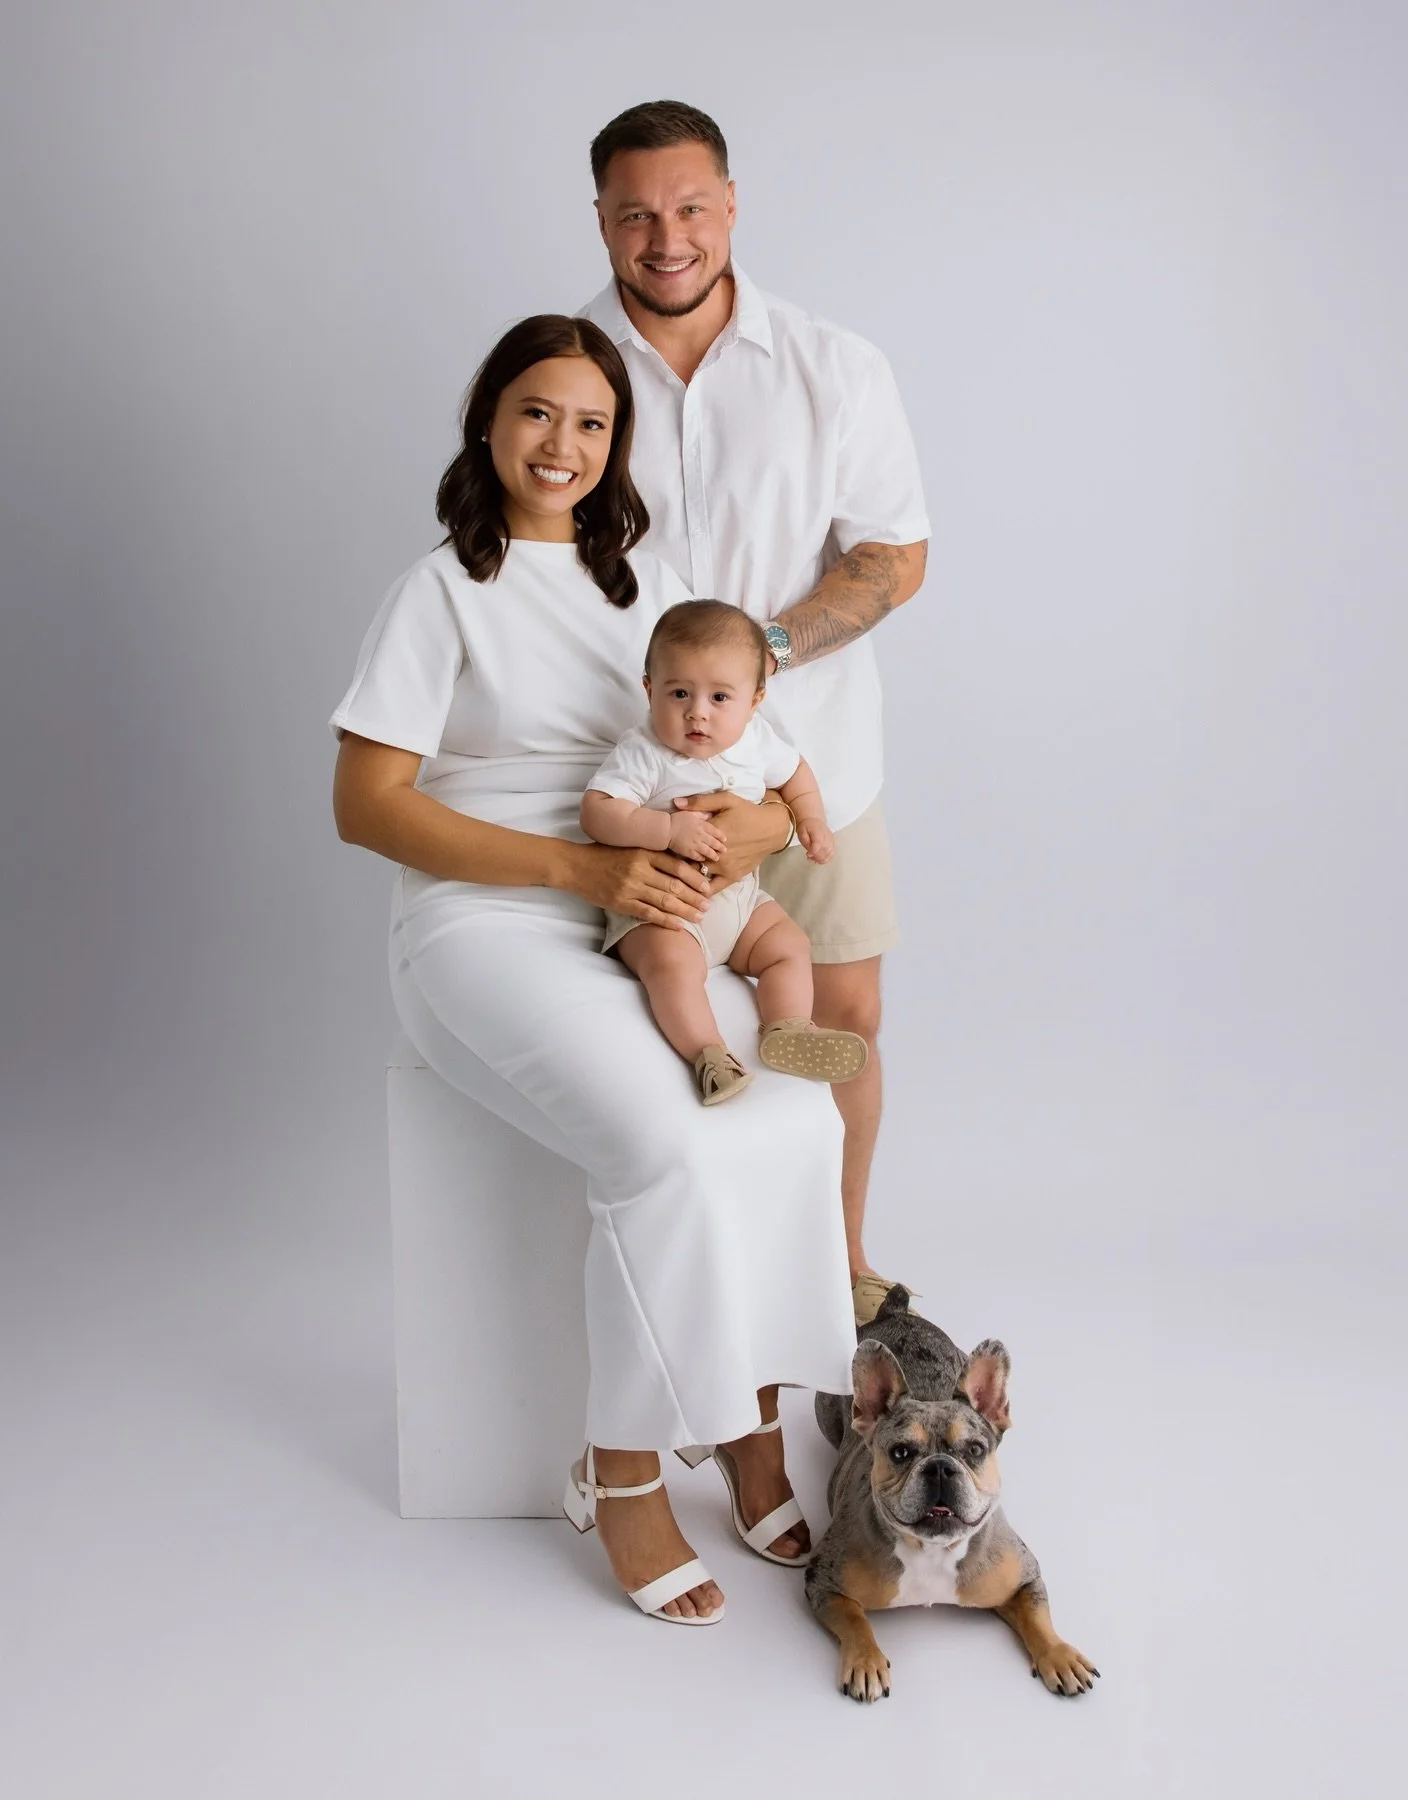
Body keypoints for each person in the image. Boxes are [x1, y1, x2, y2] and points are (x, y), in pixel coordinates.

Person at [329, 314, 855, 1624]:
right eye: (534, 413)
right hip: (486, 921)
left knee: (800, 1106)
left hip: (661, 905)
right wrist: (585, 873)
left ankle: (746, 1418)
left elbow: (735, 753)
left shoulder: (648, 581)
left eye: (592, 422)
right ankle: (619, 1473)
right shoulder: (440, 588)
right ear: (487, 422)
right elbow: (362, 804)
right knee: (667, 1148)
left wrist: (733, 835)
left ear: (616, 446)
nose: (561, 445)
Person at [580, 100, 931, 1323]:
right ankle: (701, 1282)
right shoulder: (562, 371)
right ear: (603, 223)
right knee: (660, 1012)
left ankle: (835, 1264)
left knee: (843, 1014)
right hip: (627, 770)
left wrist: (761, 662)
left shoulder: (836, 367)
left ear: (731, 205)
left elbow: (895, 554)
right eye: (635, 214)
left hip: (810, 758)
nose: (664, 237)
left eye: (688, 208)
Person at [581, 599, 869, 1105]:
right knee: (671, 970)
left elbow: (796, 774)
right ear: (649, 690)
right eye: (678, 693)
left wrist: (811, 820)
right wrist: (666, 830)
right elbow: (598, 812)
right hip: (665, 912)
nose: (697, 711)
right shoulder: (644, 752)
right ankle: (709, 1056)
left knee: (789, 946)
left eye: (719, 697)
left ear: (754, 699)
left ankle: (787, 1029)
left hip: (739, 903)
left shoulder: (757, 741)